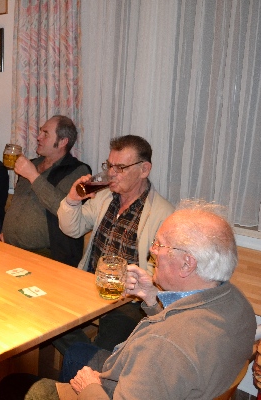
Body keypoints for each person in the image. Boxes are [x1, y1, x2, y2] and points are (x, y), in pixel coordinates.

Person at [0, 200, 256, 400]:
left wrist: (89, 387)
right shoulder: (235, 301)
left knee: (13, 385)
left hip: (114, 390)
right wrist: (152, 297)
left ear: (187, 264)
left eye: (160, 245)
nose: (152, 251)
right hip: (162, 381)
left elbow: (168, 346)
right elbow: (179, 325)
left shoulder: (163, 347)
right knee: (78, 352)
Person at [55, 135, 174, 353]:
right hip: (90, 284)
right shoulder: (104, 198)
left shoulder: (163, 213)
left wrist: (132, 289)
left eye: (120, 168)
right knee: (50, 314)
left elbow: (160, 273)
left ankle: (92, 360)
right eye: (110, 165)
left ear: (144, 169)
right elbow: (72, 229)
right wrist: (72, 199)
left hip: (128, 300)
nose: (111, 173)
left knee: (108, 342)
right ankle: (87, 356)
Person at [0, 116, 91, 267]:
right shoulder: (32, 164)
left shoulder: (78, 171)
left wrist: (33, 176)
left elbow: (64, 208)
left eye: (46, 133)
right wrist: (6, 231)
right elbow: (18, 203)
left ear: (63, 141)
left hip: (46, 256)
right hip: (9, 246)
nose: (38, 137)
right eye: (40, 131)